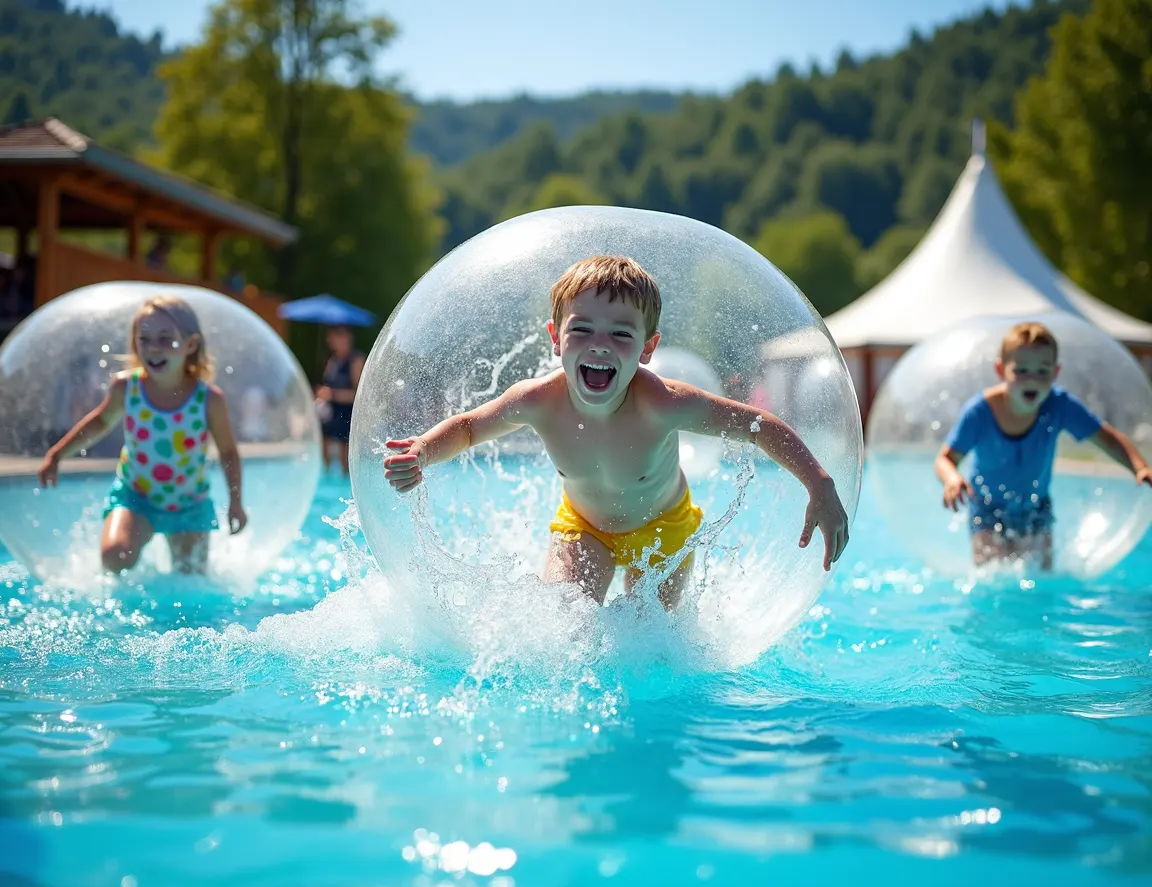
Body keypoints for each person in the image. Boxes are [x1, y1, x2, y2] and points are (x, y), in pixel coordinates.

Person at [383, 255, 850, 610]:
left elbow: (756, 426)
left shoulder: (665, 403)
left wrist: (819, 483)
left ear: (648, 348)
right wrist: (423, 449)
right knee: (564, 627)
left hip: (665, 530)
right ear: (555, 337)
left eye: (621, 335)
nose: (600, 346)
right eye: (581, 329)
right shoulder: (537, 401)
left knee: (652, 647)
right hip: (584, 528)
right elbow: (468, 428)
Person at [37, 296, 248, 575]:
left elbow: (228, 452)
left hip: (188, 504)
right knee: (115, 556)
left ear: (191, 345)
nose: (153, 348)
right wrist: (57, 454)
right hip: (137, 497)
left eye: (165, 339)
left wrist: (236, 502)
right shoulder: (127, 387)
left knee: (190, 584)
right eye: (144, 339)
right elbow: (100, 422)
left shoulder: (208, 400)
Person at [936, 321, 1152, 569]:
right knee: (990, 575)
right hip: (987, 508)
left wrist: (1139, 466)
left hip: (1036, 507)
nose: (1033, 380)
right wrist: (952, 478)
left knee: (1041, 577)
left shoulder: (1059, 405)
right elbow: (945, 458)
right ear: (1001, 370)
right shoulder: (980, 412)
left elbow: (1105, 437)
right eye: (1022, 370)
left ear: (1056, 372)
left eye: (1043, 371)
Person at [316, 325, 365, 476]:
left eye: (337, 337)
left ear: (347, 338)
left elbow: (359, 394)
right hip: (331, 411)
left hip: (347, 411)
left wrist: (334, 394)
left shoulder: (355, 360)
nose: (333, 341)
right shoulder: (332, 360)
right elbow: (328, 384)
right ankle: (328, 478)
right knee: (324, 449)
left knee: (345, 459)